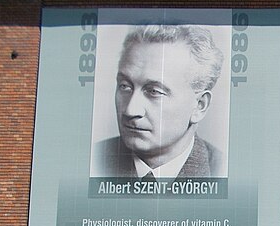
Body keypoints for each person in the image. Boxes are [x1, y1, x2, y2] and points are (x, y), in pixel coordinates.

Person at [91, 24, 225, 179]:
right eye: (125, 86)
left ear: (199, 106)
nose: (130, 110)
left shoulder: (222, 171)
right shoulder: (93, 159)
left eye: (154, 91)